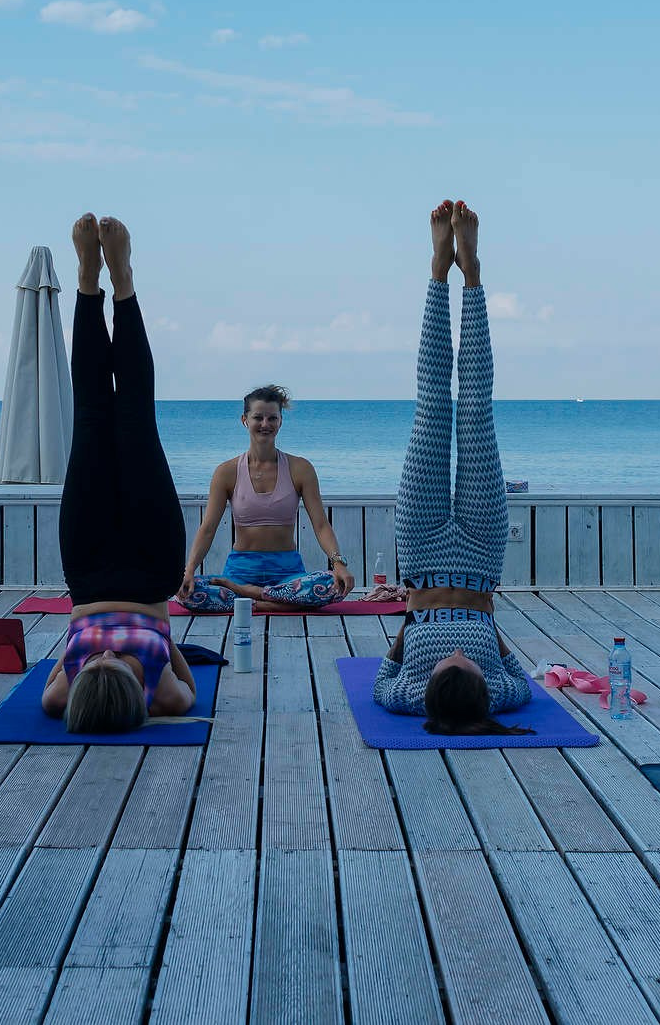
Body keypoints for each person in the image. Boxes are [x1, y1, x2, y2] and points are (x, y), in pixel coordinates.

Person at [373, 201, 535, 736]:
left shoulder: (408, 699)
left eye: (452, 666)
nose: (463, 655)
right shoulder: (503, 694)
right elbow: (514, 670)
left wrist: (409, 626)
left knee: (432, 406)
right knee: (474, 409)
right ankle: (475, 279)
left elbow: (382, 680)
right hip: (481, 558)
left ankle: (438, 270)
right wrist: (489, 626)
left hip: (421, 555)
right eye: (470, 664)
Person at [40, 215, 199, 733]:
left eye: (91, 665)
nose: (101, 656)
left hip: (92, 573)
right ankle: (121, 282)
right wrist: (162, 643)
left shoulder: (67, 701)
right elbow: (190, 690)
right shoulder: (162, 699)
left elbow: (49, 689)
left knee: (93, 415)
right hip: (148, 568)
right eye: (111, 664)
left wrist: (155, 644)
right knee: (130, 416)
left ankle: (90, 280)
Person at [178, 385, 353, 610]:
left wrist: (338, 564)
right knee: (187, 592)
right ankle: (275, 601)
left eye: (272, 418)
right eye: (258, 417)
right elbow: (208, 528)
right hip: (240, 572)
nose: (265, 424)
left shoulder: (301, 468)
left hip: (287, 573)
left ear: (280, 421)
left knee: (331, 585)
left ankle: (250, 599)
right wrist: (189, 571)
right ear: (244, 420)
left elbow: (320, 525)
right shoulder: (226, 472)